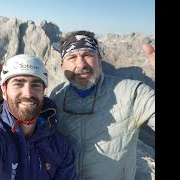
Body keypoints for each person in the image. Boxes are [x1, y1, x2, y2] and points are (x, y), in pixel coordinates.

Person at [0, 54, 77, 180]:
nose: (28, 93)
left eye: (35, 84)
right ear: (4, 91)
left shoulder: (60, 146)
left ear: (43, 91)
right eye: (18, 84)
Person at [49, 30, 155, 180]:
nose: (81, 63)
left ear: (99, 59)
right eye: (72, 57)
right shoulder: (57, 95)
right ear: (62, 65)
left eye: (88, 55)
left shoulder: (133, 92)